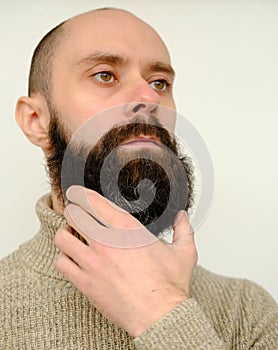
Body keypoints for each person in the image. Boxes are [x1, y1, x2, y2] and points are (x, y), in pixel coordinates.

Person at [0, 7, 277, 350]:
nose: (149, 98)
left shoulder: (247, 312)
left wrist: (160, 309)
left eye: (159, 82)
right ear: (36, 121)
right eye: (105, 75)